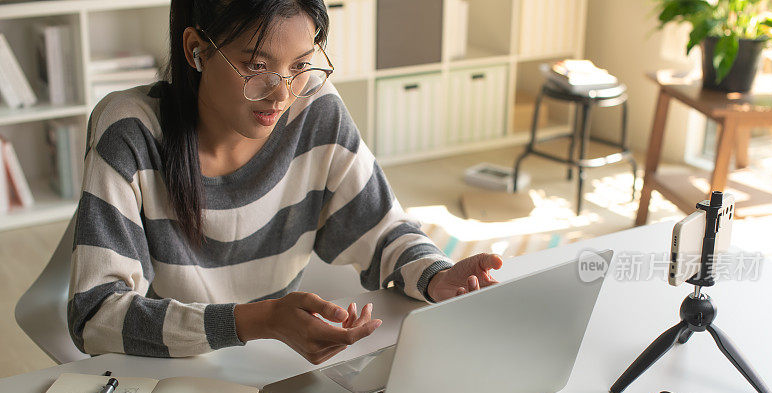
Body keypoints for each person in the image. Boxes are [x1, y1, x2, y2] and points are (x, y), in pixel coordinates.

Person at [68, 0, 502, 364]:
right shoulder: (130, 130)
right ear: (196, 49)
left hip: (274, 364)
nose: (282, 94)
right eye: (257, 66)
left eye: (300, 65)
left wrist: (437, 275)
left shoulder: (313, 107)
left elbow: (383, 230)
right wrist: (260, 321)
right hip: (174, 365)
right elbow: (95, 317)